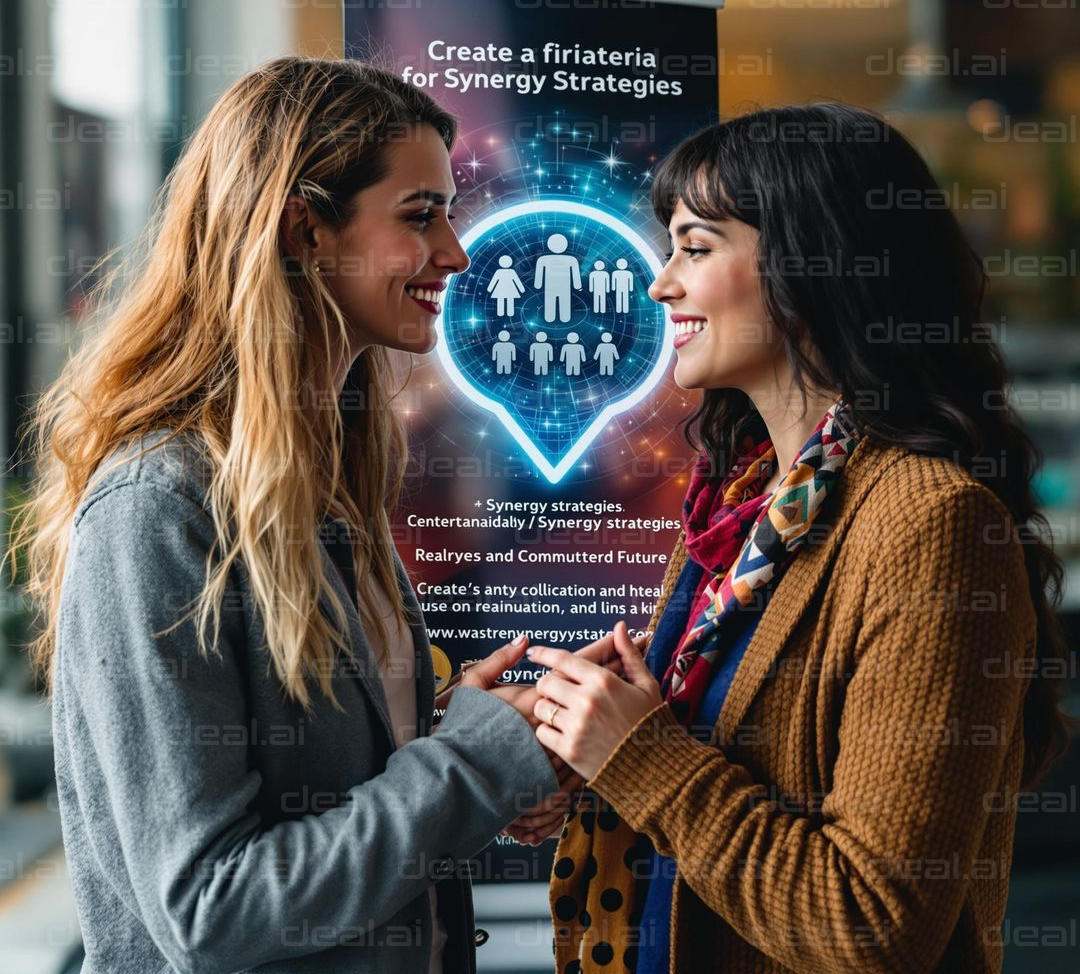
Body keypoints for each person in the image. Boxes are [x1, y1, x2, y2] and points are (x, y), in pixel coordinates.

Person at [7, 56, 618, 974]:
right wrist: (477, 762)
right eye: (421, 216)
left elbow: (328, 797)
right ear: (306, 229)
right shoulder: (160, 508)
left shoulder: (330, 480)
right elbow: (213, 911)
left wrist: (470, 745)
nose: (456, 253)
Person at [525, 103, 1075, 973]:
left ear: (811, 269)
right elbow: (714, 773)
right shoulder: (743, 506)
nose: (660, 283)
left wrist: (644, 760)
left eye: (695, 249)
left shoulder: (932, 523)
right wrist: (586, 752)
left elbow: (872, 923)